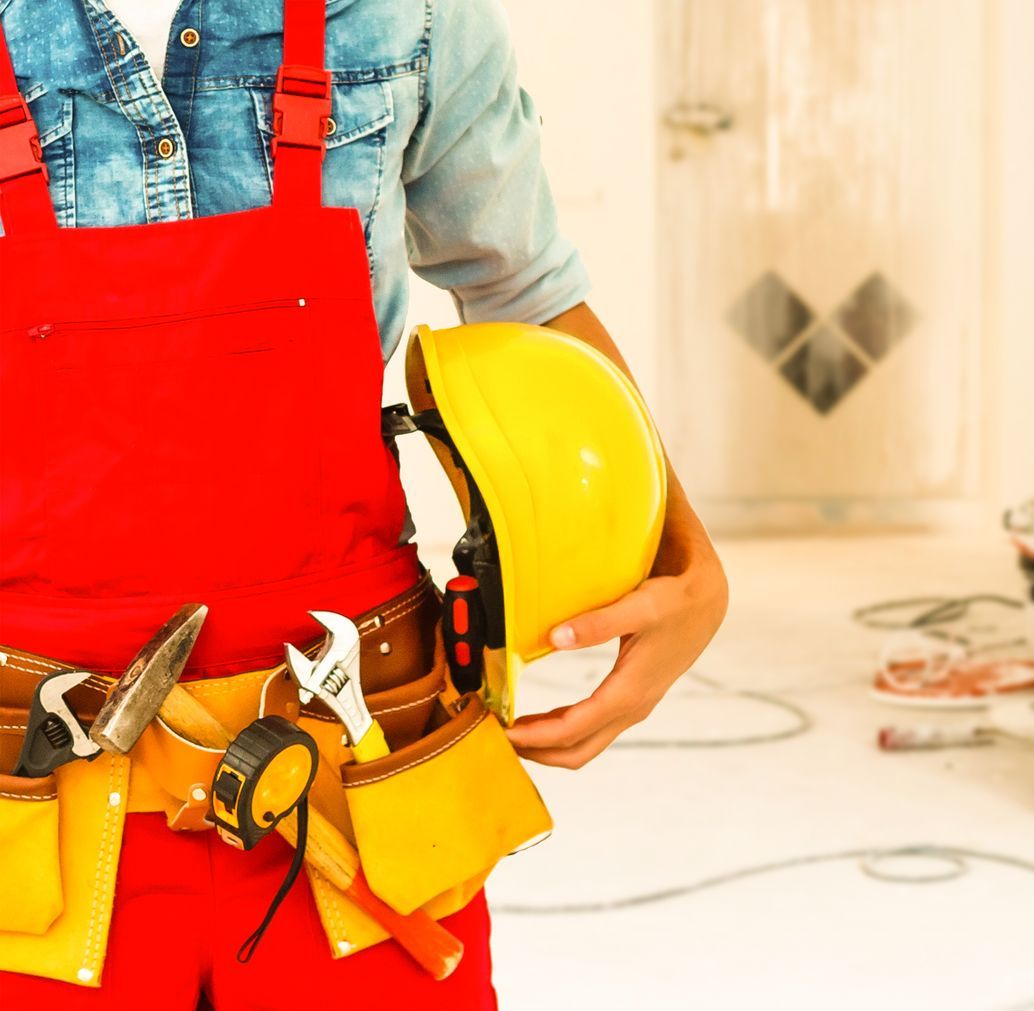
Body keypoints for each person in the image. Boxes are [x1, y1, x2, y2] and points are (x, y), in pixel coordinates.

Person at [0, 0, 727, 1005]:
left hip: (357, 767)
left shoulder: (405, 11)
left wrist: (684, 556)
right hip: (25, 805)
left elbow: (527, 292)